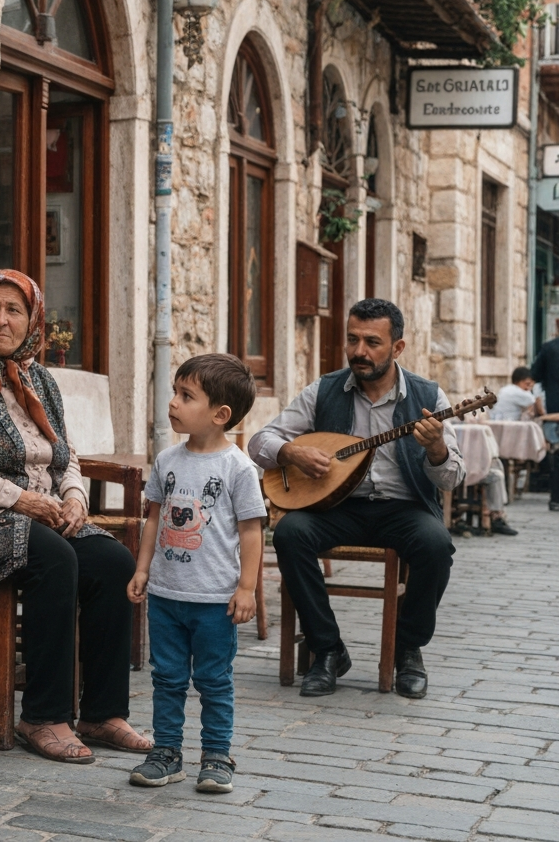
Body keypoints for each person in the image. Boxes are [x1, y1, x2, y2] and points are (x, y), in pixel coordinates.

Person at [0, 270, 150, 764]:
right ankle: (43, 715)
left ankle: (101, 712)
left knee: (111, 561)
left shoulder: (39, 379)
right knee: (56, 558)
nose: (0, 319)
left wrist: (75, 497)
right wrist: (20, 499)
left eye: (13, 310)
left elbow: (65, 455)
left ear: (32, 321)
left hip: (37, 515)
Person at [248, 299, 463, 699]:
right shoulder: (325, 390)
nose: (359, 351)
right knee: (290, 534)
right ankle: (327, 650)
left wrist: (436, 450)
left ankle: (407, 649)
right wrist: (290, 453)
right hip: (338, 507)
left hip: (403, 508)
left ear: (397, 348)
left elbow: (452, 477)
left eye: (372, 342)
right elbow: (260, 440)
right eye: (352, 339)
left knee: (436, 546)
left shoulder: (428, 396)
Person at [127, 354, 265, 795]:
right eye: (175, 392)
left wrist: (246, 588)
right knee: (166, 676)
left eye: (186, 396)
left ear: (220, 415)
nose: (173, 403)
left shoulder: (237, 468)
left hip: (214, 601)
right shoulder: (167, 460)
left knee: (212, 679)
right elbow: (153, 518)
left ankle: (217, 755)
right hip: (167, 595)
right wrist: (143, 568)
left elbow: (251, 531)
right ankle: (166, 752)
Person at [531, 330, 559, 512]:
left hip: (555, 407)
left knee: (558, 455)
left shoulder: (549, 348)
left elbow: (535, 374)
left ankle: (556, 498)